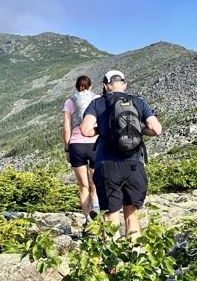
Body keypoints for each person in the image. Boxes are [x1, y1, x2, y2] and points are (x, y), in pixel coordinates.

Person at [80, 70, 162, 238]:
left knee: (111, 217)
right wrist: (139, 130)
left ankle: (113, 263)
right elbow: (156, 129)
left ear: (105, 86)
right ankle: (134, 259)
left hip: (107, 166)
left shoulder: (98, 103)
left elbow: (85, 130)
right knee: (132, 215)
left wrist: (102, 130)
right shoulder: (138, 102)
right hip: (134, 165)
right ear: (124, 84)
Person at [63, 75, 100, 224]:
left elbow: (66, 128)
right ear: (90, 86)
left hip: (76, 145)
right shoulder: (97, 98)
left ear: (76, 87)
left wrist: (67, 149)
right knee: (95, 182)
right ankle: (96, 206)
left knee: (83, 185)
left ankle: (88, 221)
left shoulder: (70, 101)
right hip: (95, 144)